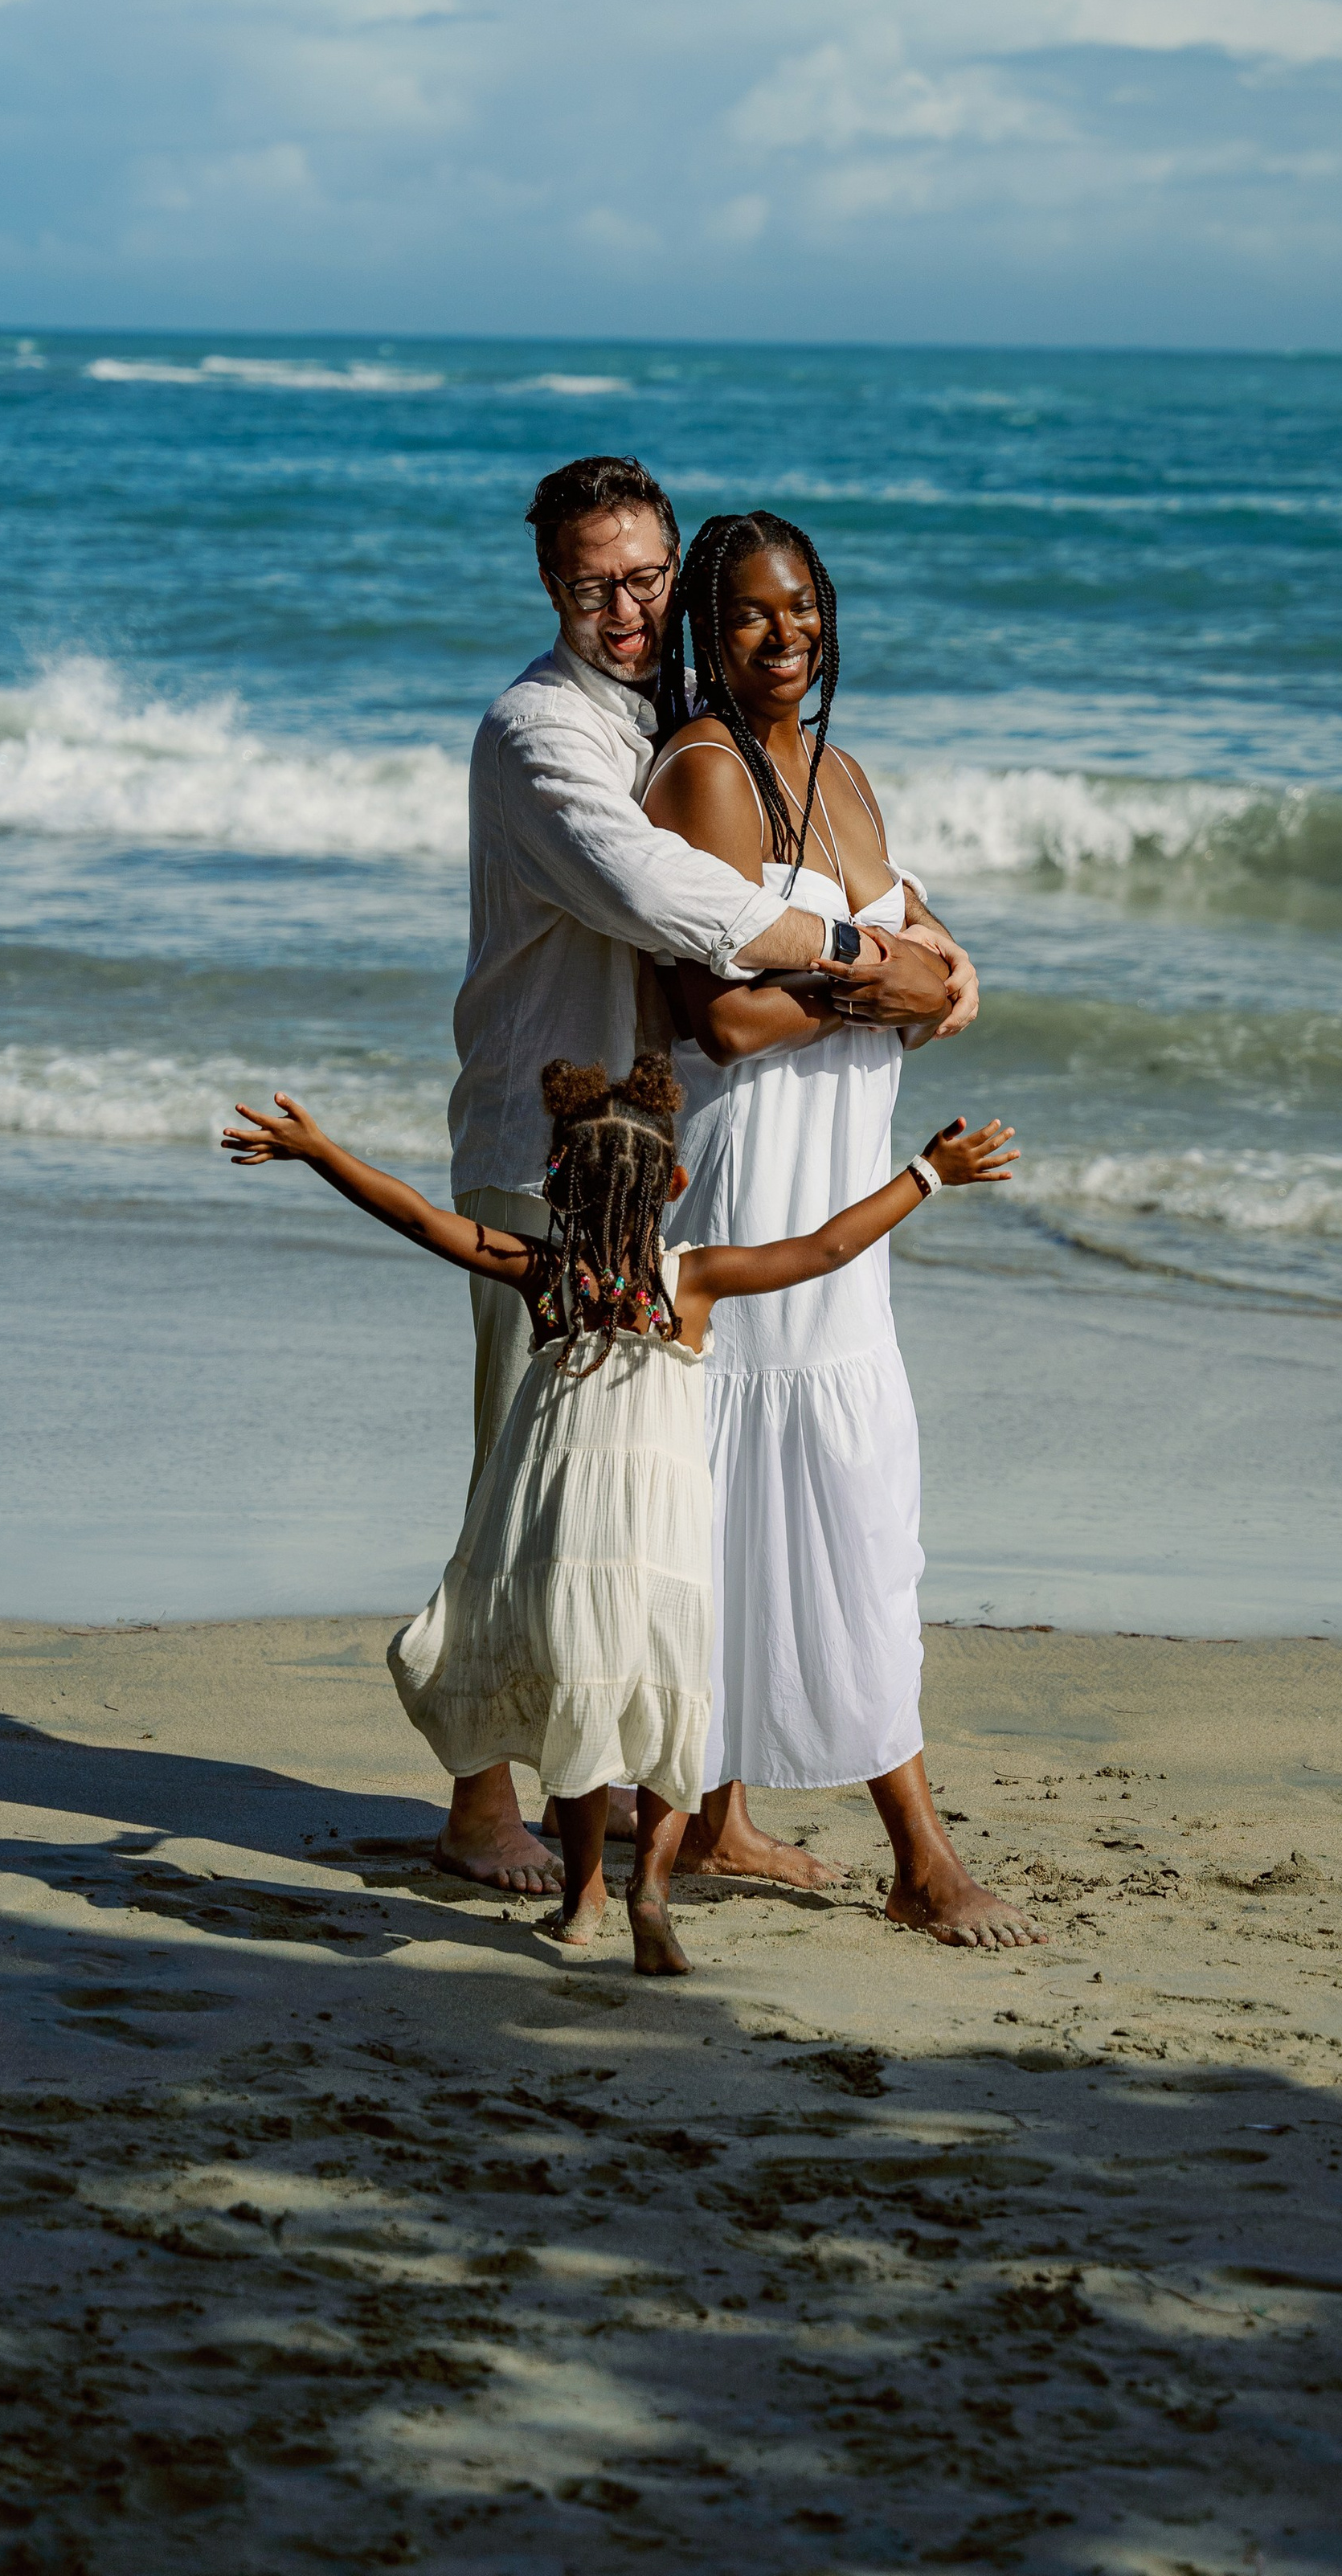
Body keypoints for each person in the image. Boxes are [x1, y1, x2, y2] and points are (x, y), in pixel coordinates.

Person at [440, 455, 980, 1893]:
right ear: (551, 582)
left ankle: (697, 1803)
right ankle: (483, 1802)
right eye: (594, 581)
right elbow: (665, 904)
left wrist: (941, 954)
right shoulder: (543, 733)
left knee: (656, 1481)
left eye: (645, 578)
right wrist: (872, 963)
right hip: (536, 1148)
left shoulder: (678, 723)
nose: (627, 605)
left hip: (640, 1154)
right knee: (530, 1483)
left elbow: (855, 880)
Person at [221, 1057, 1018, 1975]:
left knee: (586, 1699)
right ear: (676, 1184)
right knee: (671, 1702)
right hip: (668, 1532)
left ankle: (584, 1898)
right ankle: (655, 1891)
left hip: (565, 1537)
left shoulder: (541, 1272)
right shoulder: (691, 1282)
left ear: (556, 1178)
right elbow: (829, 1250)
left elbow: (414, 1215)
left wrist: (318, 1148)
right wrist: (925, 1174)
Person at [647, 509, 1043, 1949]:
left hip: (843, 1165)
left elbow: (937, 974)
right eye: (752, 613)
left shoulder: (844, 771)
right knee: (774, 1482)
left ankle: (711, 1812)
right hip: (757, 1173)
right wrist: (878, 981)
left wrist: (910, 980)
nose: (787, 633)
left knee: (831, 1493)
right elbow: (724, 1015)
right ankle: (918, 1852)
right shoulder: (702, 774)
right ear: (708, 626)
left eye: (804, 606)